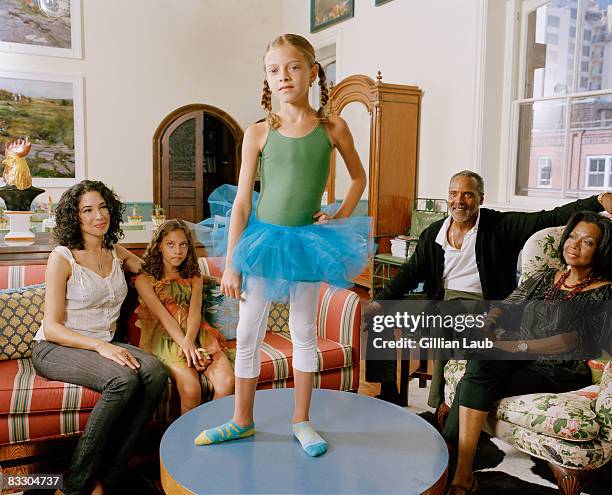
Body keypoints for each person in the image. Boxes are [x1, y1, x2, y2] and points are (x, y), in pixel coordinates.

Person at [193, 33, 370, 457]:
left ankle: (301, 420)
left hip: (309, 242)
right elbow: (239, 204)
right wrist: (232, 261)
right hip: (263, 242)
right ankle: (241, 420)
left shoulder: (333, 128)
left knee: (303, 332)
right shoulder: (258, 133)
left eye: (293, 67)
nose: (284, 76)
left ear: (312, 72)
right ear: (267, 80)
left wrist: (341, 213)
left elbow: (359, 177)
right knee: (248, 331)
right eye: (274, 70)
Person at [365, 170, 612, 407]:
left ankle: (440, 405)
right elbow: (410, 272)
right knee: (382, 314)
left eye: (467, 194)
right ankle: (389, 391)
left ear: (481, 198)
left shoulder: (501, 226)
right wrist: (381, 300)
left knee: (445, 317)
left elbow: (550, 216)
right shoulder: (434, 233)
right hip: (440, 299)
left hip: (483, 304)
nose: (458, 201)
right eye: (453, 194)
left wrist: (598, 199)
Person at [443, 211, 612, 494]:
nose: (574, 244)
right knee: (481, 366)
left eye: (587, 242)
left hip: (559, 368)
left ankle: (455, 468)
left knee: (476, 379)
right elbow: (508, 304)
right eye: (572, 236)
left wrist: (513, 346)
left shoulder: (602, 292)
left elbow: (571, 341)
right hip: (518, 356)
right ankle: (457, 468)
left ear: (600, 250)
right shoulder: (547, 277)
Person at [31, 180, 168, 495]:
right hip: (56, 347)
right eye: (87, 210)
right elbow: (52, 327)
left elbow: (154, 270)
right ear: (75, 218)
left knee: (156, 372)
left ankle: (110, 477)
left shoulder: (114, 251)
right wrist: (101, 346)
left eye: (103, 207)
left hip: (102, 346)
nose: (98, 216)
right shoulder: (62, 257)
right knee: (124, 380)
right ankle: (72, 486)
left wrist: (204, 276)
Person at [134, 219, 234, 414]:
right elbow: (164, 317)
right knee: (191, 389)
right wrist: (185, 345)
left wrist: (191, 341)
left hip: (196, 333)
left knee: (227, 382)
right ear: (159, 247)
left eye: (183, 245)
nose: (177, 251)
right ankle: (184, 442)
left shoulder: (194, 276)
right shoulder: (144, 280)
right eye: (170, 245)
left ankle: (210, 433)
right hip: (166, 338)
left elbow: (195, 314)